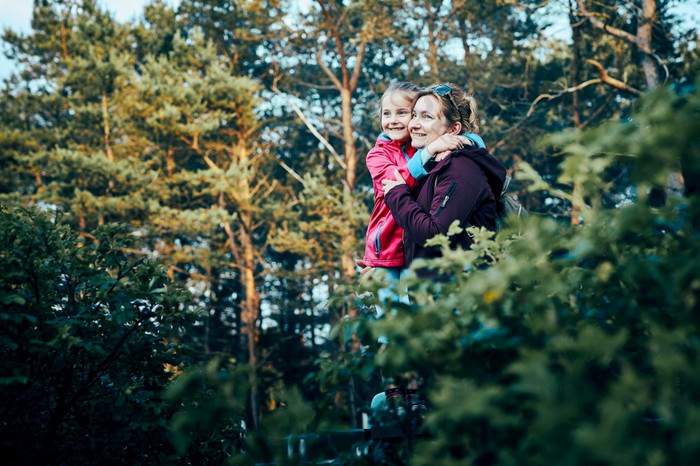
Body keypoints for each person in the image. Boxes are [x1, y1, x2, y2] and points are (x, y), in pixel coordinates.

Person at [360, 82, 484, 317]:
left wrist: (472, 143)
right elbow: (396, 182)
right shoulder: (379, 154)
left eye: (403, 113)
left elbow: (464, 137)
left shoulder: (420, 146)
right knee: (389, 324)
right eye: (386, 113)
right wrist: (431, 150)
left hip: (411, 248)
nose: (393, 120)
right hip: (386, 248)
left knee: (410, 319)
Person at [382, 83, 506, 276]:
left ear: (453, 129)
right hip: (433, 296)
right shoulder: (432, 167)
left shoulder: (461, 169)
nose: (413, 124)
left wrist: (397, 195)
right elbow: (414, 232)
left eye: (427, 117)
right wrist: (381, 266)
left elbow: (436, 235)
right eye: (414, 115)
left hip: (459, 297)